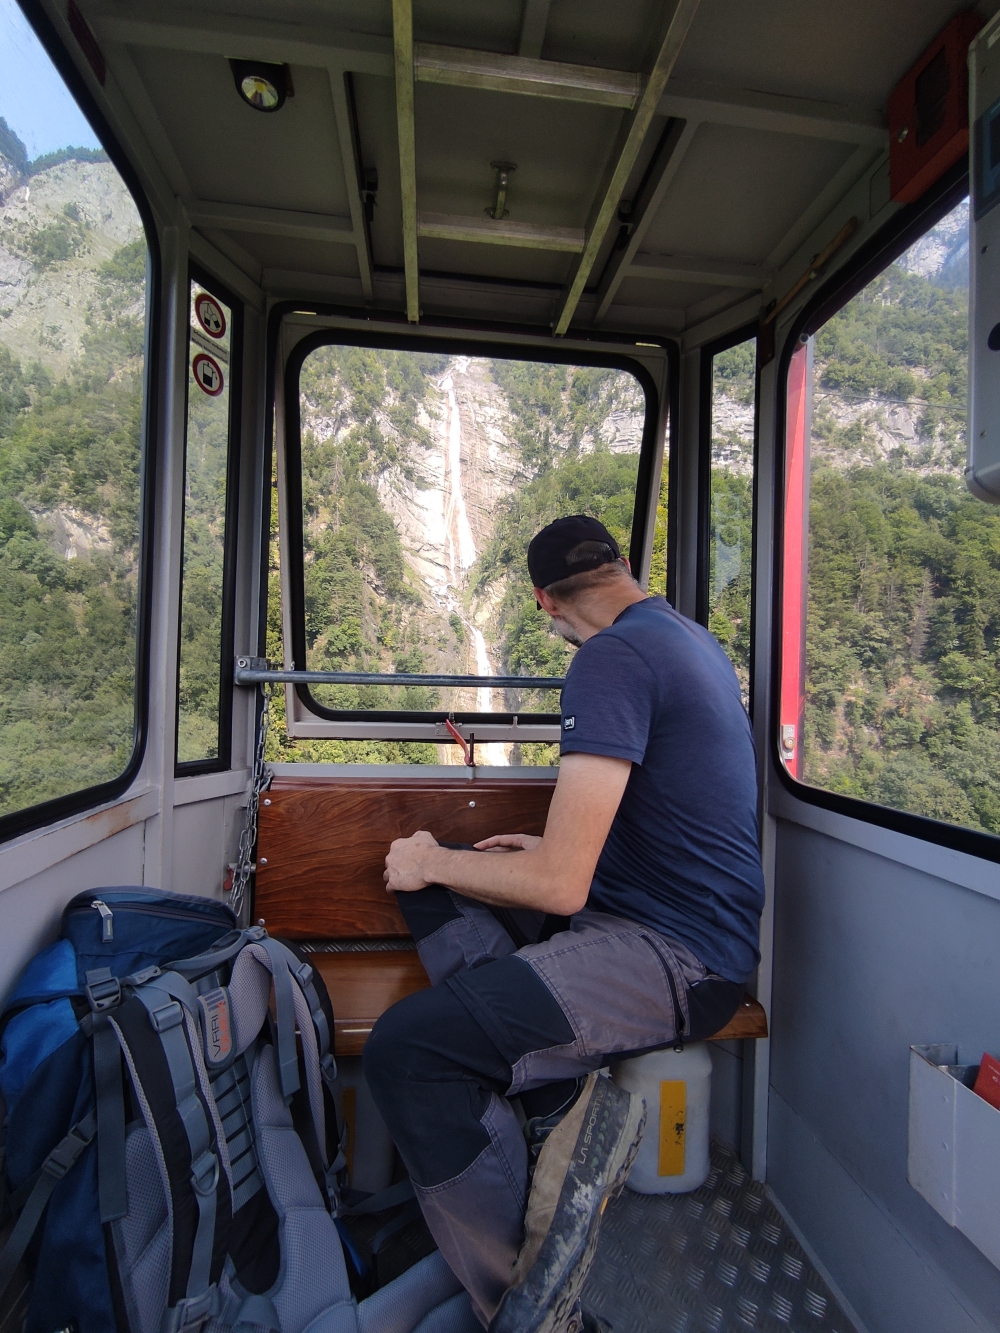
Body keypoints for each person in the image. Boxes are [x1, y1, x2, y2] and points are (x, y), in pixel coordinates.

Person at [364, 515, 765, 1333]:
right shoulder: (687, 639)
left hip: (678, 957)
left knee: (410, 1050)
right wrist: (522, 850)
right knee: (436, 876)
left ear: (544, 602)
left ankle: (530, 1304)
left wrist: (442, 860)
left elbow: (556, 886)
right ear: (624, 567)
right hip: (644, 916)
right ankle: (554, 1100)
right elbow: (655, 815)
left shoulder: (608, 657)